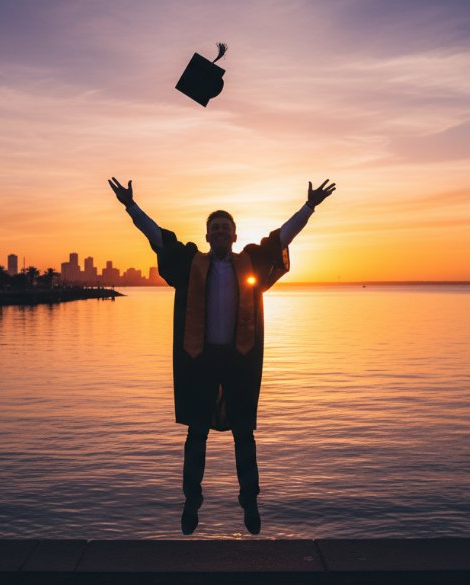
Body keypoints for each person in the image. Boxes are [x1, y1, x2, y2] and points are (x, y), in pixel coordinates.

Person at [108, 176, 336, 535]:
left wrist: (309, 206)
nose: (218, 233)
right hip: (199, 361)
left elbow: (283, 237)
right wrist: (130, 206)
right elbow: (156, 237)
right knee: (196, 434)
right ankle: (191, 501)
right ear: (207, 235)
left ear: (234, 234)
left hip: (239, 361)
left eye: (224, 228)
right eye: (213, 228)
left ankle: (249, 501)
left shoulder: (250, 263)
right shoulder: (190, 264)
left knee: (243, 434)